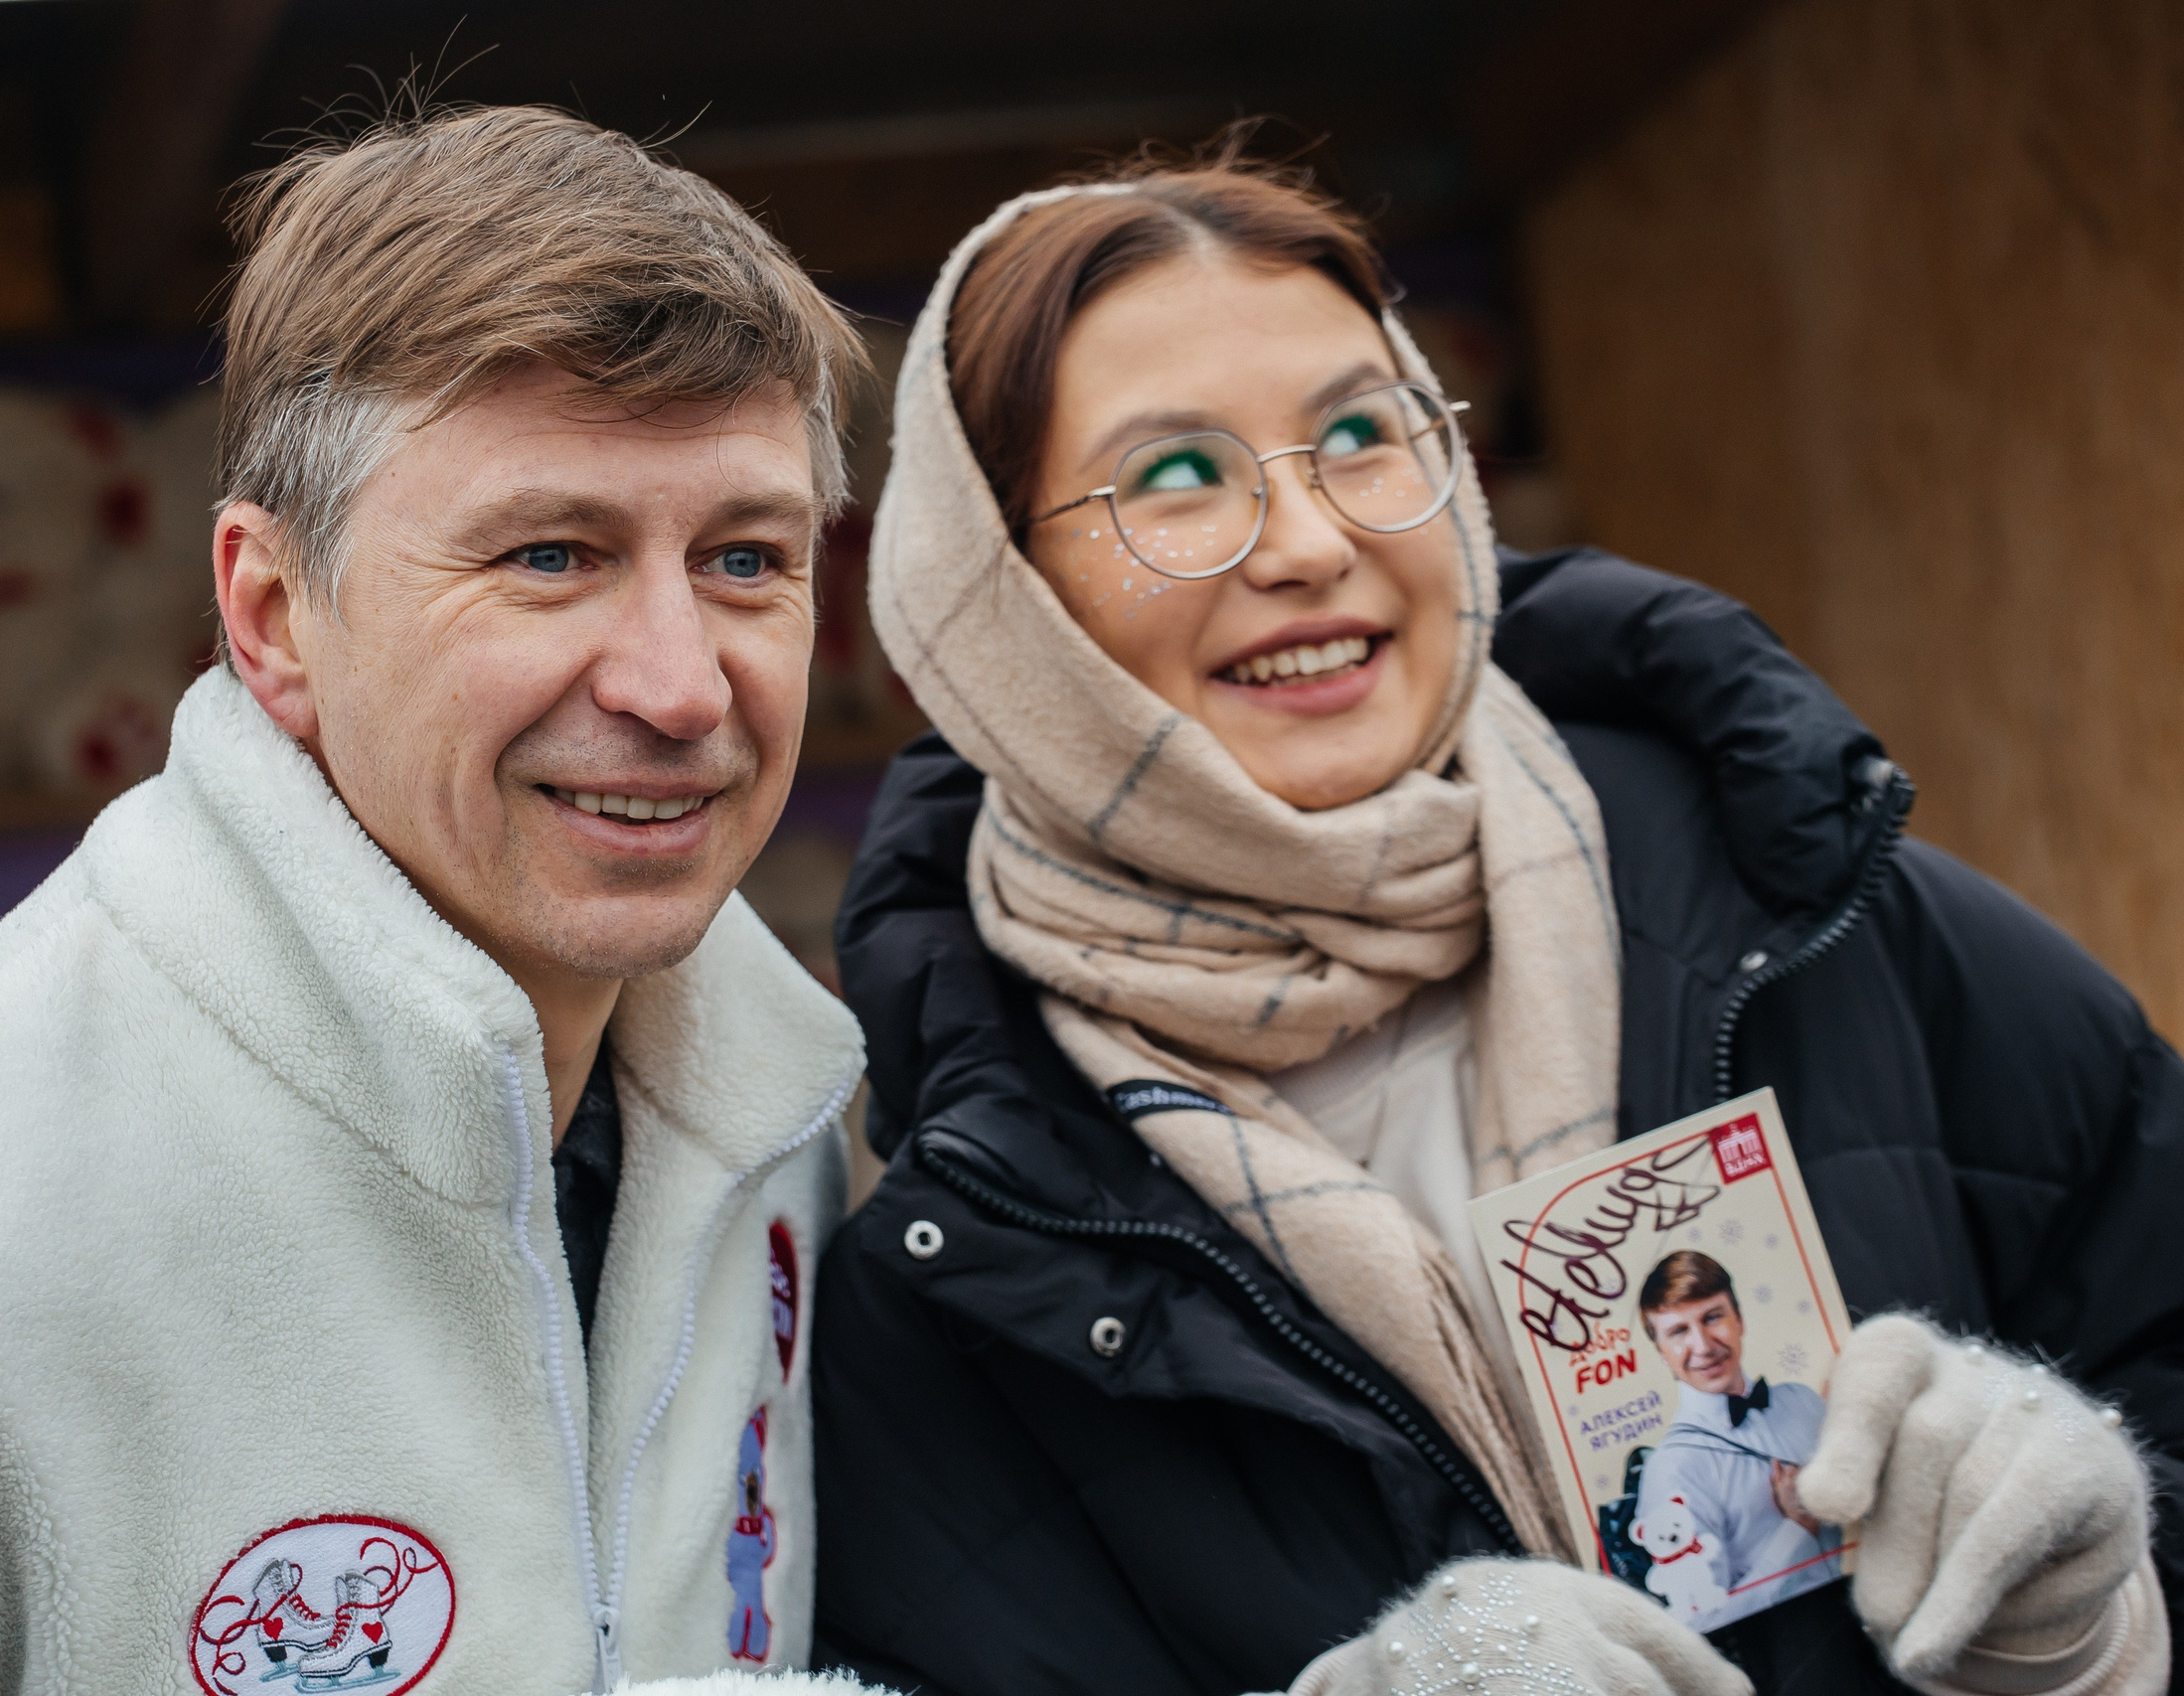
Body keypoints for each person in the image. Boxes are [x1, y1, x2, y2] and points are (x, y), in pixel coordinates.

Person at [809, 157, 2177, 1696]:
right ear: (998, 597)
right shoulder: (955, 1271)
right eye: (1178, 478)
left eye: (1360, 435)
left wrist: (2104, 1614)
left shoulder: (1816, 912)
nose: (1312, 540)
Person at [0, 108, 872, 1696]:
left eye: (746, 559)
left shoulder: (780, 1144)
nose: (679, 683)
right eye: (552, 554)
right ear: (273, 614)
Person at [1633, 1252, 1842, 1628]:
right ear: (1661, 1353)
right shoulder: (1671, 1471)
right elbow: (1701, 1622)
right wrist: (1796, 1529)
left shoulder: (1803, 1401)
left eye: (1713, 1317)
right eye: (1679, 1332)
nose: (1703, 1345)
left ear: (1740, 1319)